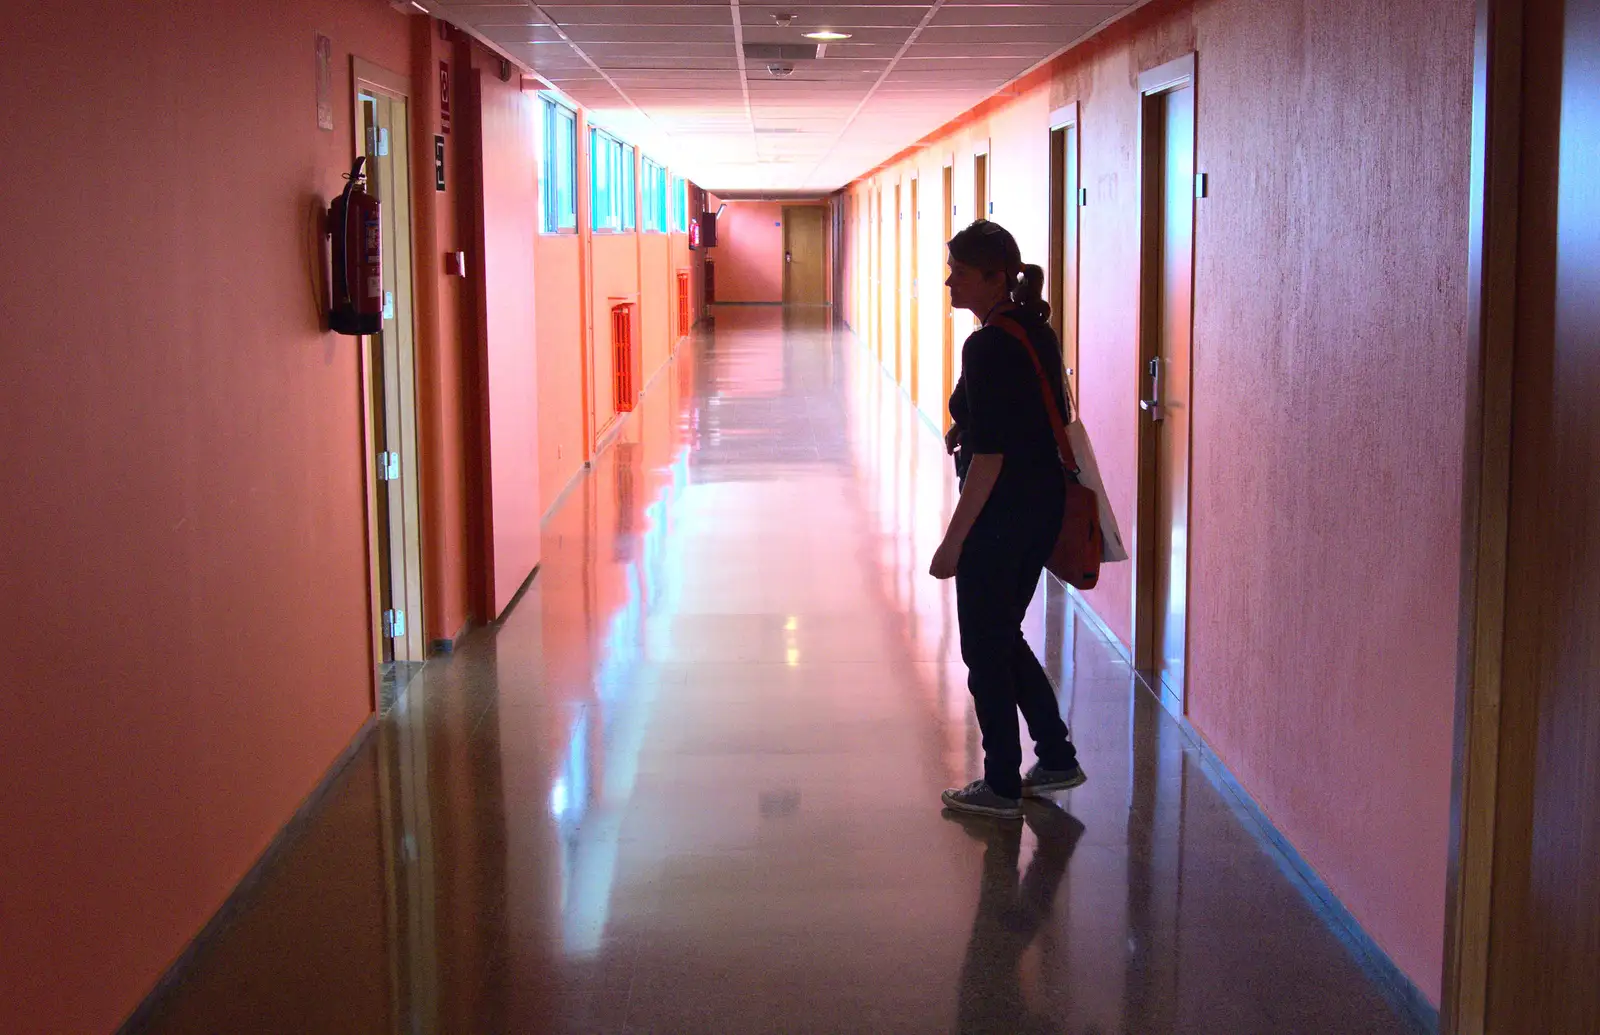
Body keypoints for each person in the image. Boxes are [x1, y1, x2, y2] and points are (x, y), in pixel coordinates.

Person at [931, 219, 1086, 820]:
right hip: (1040, 502)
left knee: (984, 645)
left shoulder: (989, 343)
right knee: (1001, 633)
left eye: (961, 273)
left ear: (996, 278)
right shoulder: (1029, 329)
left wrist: (953, 541)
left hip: (1003, 512)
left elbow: (992, 458)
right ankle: (1054, 756)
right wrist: (963, 424)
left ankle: (999, 783)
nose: (950, 281)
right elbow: (1019, 418)